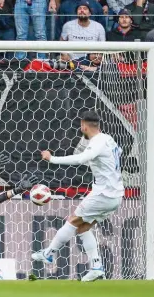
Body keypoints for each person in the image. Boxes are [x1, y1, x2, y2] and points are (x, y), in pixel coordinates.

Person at [32, 111, 124, 282]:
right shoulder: (108, 139)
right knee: (83, 227)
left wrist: (52, 159)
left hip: (103, 194)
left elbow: (82, 158)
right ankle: (96, 267)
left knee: (72, 221)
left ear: (84, 125)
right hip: (115, 194)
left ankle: (49, 254)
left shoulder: (97, 142)